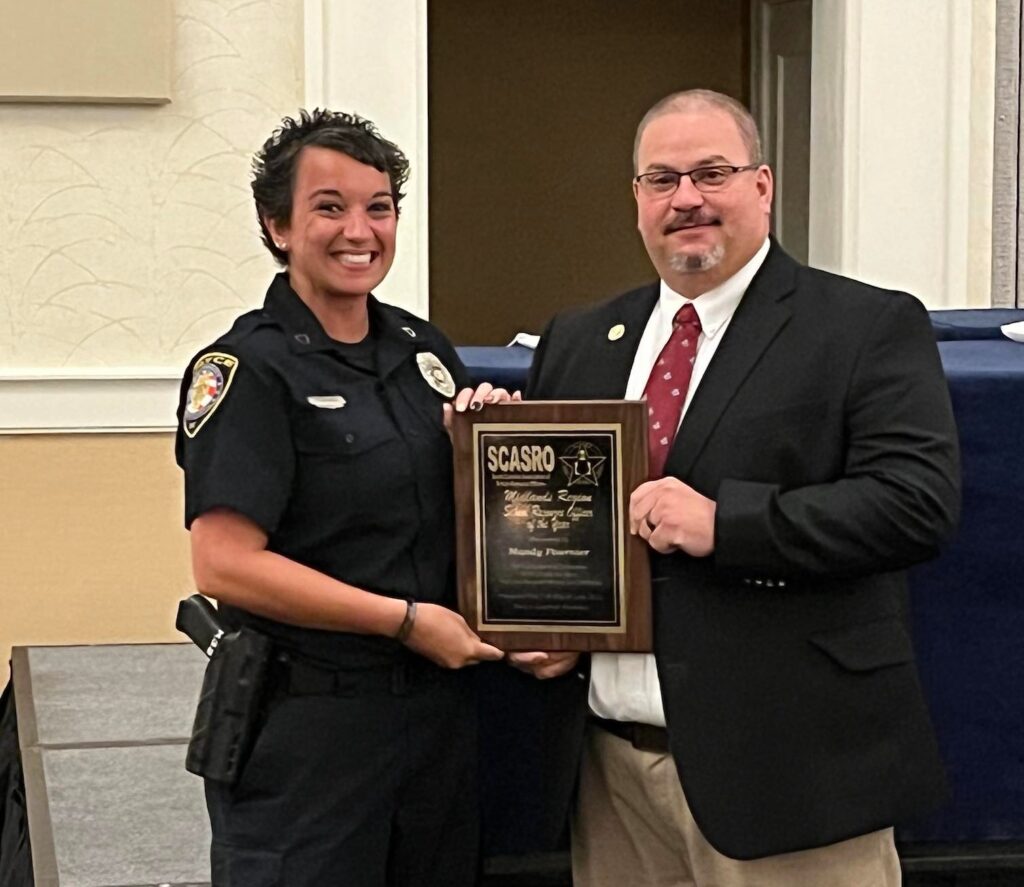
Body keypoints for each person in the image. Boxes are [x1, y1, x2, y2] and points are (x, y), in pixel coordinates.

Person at [509, 89, 960, 886]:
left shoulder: (863, 325)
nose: (687, 198)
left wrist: (728, 523)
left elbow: (915, 505)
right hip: (612, 782)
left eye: (711, 173)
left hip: (794, 782)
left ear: (762, 185)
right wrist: (548, 620)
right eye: (662, 179)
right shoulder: (580, 339)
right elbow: (560, 528)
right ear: (637, 200)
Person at [175, 109, 512, 886]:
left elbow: (456, 515)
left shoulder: (423, 351)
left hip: (436, 722)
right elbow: (225, 565)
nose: (359, 229)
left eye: (379, 206)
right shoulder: (245, 370)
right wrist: (402, 621)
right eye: (329, 206)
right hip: (310, 730)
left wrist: (485, 444)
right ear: (277, 224)